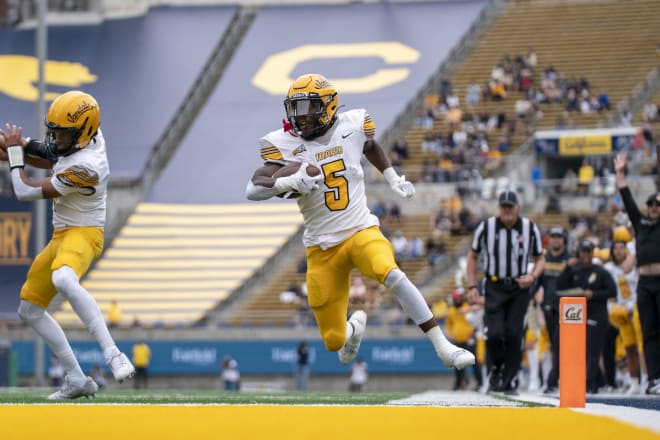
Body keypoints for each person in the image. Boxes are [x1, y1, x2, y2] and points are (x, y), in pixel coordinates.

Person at [245, 73, 474, 372]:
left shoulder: (352, 126)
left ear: (328, 106)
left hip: (359, 229)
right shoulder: (285, 145)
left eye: (308, 108)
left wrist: (392, 177)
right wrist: (289, 180)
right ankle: (353, 331)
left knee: (391, 273)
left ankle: (443, 347)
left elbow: (371, 146)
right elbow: (252, 189)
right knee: (333, 341)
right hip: (321, 247)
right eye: (296, 109)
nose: (300, 118)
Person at [0, 90, 135, 400]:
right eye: (56, 131)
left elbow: (25, 190)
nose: (57, 138)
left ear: (83, 132)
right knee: (30, 310)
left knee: (63, 278)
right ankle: (76, 378)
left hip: (84, 233)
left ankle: (113, 353)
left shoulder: (88, 166)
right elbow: (50, 153)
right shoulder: (85, 138)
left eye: (63, 133)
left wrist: (15, 155)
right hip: (62, 234)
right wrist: (13, 150)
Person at [465, 190, 545, 394]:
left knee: (514, 334)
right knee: (494, 333)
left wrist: (533, 276)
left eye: (511, 206)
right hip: (494, 286)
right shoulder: (486, 227)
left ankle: (510, 379)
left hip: (519, 287)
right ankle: (496, 369)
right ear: (499, 208)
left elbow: (539, 258)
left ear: (518, 207)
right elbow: (472, 256)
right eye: (504, 207)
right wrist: (473, 286)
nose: (507, 210)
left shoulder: (529, 228)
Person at [614, 152, 660, 395]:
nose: (653, 208)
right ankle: (653, 380)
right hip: (644, 284)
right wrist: (620, 173)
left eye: (657, 205)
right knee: (649, 332)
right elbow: (627, 199)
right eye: (651, 205)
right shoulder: (641, 224)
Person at [557, 240, 616, 393]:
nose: (585, 254)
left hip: (597, 314)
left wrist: (594, 294)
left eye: (588, 251)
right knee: (580, 352)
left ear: (592, 253)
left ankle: (589, 384)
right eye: (583, 251)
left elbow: (612, 291)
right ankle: (598, 382)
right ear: (579, 253)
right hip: (577, 316)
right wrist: (567, 268)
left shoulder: (601, 272)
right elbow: (560, 286)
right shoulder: (575, 271)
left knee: (593, 351)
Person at [535, 226, 574, 394]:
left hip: (568, 309)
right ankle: (556, 381)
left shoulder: (571, 259)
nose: (556, 239)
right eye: (554, 236)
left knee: (563, 346)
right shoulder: (544, 259)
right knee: (554, 346)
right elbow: (536, 284)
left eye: (559, 236)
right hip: (549, 308)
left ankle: (553, 381)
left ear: (564, 239)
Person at [603, 239, 643, 394]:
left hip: (636, 308)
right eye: (616, 248)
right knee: (629, 348)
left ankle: (646, 379)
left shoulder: (635, 266)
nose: (619, 251)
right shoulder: (608, 268)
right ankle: (633, 382)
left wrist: (633, 306)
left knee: (643, 347)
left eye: (622, 248)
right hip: (619, 312)